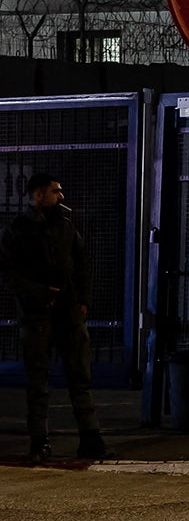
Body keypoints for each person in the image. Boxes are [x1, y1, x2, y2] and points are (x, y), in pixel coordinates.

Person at [2, 172, 104, 462]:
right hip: (37, 316)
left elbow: (82, 264)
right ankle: (40, 442)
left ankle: (90, 439)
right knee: (38, 383)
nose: (60, 197)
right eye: (54, 192)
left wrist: (83, 300)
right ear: (37, 195)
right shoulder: (17, 231)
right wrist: (38, 293)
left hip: (68, 314)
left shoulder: (66, 227)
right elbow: (8, 273)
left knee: (80, 378)